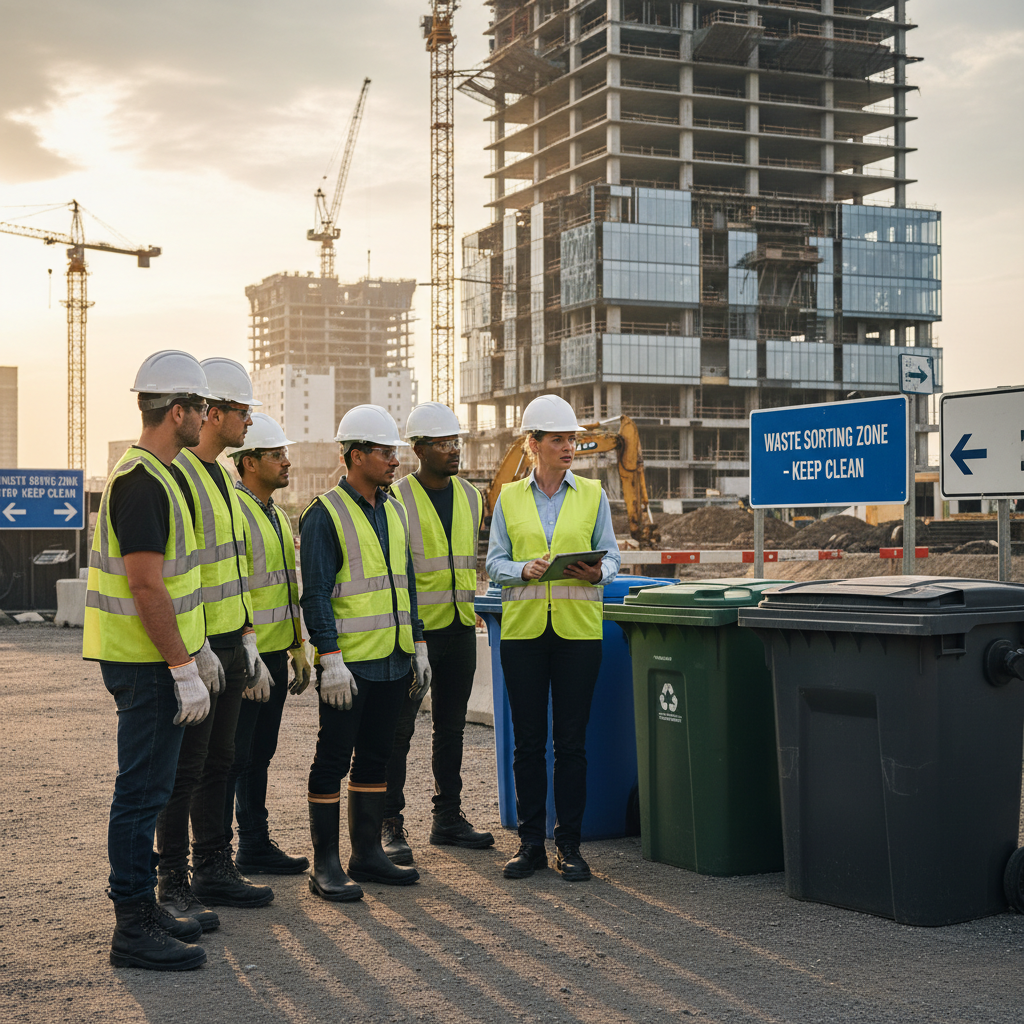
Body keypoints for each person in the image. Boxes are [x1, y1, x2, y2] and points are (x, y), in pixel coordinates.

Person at [84, 349, 222, 971]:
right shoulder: (141, 482)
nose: (207, 418)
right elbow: (145, 586)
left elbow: (177, 583)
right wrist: (181, 667)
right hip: (146, 668)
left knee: (153, 787)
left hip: (159, 663)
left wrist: (199, 649)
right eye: (201, 407)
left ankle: (145, 908)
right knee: (140, 795)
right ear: (177, 411)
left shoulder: (160, 475)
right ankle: (132, 926)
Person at [155, 357, 275, 923]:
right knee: (185, 772)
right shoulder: (179, 476)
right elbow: (180, 572)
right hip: (199, 646)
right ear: (213, 414)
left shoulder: (222, 479)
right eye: (241, 411)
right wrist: (193, 646)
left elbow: (232, 568)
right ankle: (173, 884)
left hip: (229, 641)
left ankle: (213, 868)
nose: (248, 422)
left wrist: (247, 636)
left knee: (220, 762)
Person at [485, 394, 620, 882]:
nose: (569, 446)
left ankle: (569, 845)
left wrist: (597, 571)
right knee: (527, 743)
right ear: (534, 444)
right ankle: (529, 844)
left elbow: (614, 559)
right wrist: (523, 568)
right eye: (559, 439)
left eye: (572, 439)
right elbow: (494, 563)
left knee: (571, 745)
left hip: (578, 634)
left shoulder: (593, 495)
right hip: (523, 636)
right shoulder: (510, 499)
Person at [299, 404, 429, 901]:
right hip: (349, 667)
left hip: (393, 659)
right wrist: (328, 658)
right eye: (384, 451)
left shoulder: (393, 508)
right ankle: (325, 864)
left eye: (395, 450)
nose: (395, 460)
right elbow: (315, 594)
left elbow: (406, 582)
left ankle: (366, 853)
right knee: (332, 758)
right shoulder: (324, 514)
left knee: (375, 758)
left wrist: (418, 645)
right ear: (355, 456)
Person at [382, 402, 492, 864]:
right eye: (445, 443)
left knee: (451, 728)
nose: (454, 450)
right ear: (418, 448)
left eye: (457, 441)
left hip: (461, 629)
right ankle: (390, 823)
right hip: (415, 635)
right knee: (399, 731)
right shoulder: (396, 499)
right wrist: (412, 634)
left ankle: (447, 817)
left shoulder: (472, 496)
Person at [223, 412, 311, 876]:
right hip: (247, 657)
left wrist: (298, 646)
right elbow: (234, 587)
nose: (286, 461)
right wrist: (247, 651)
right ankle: (217, 856)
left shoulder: (277, 514)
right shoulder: (235, 511)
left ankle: (254, 844)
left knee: (261, 752)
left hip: (275, 655)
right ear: (249, 461)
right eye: (277, 454)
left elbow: (284, 586)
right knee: (231, 758)